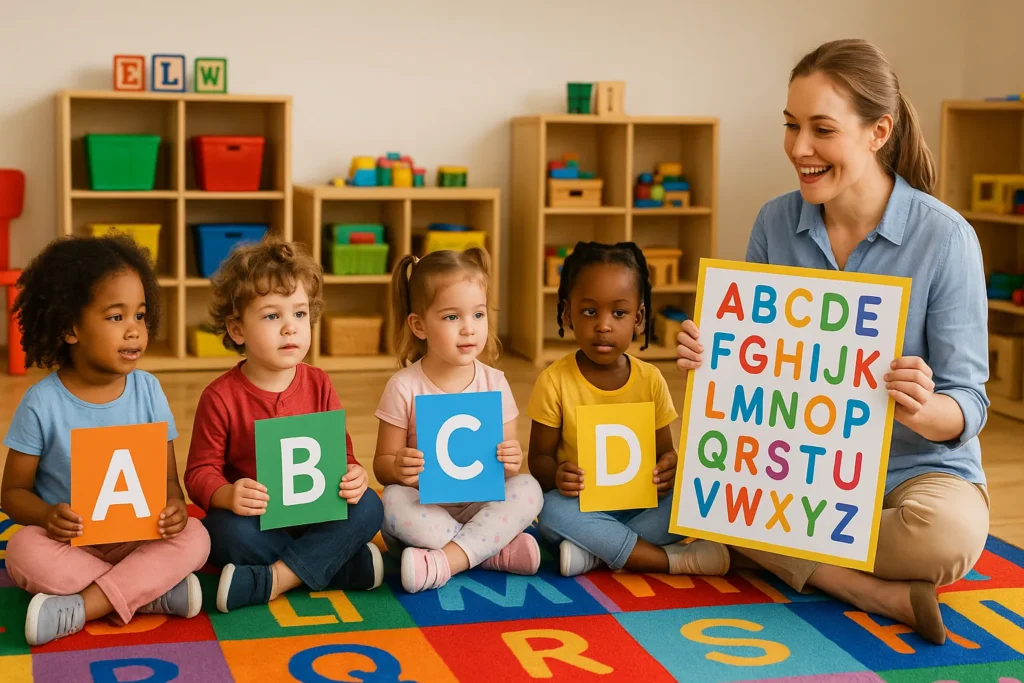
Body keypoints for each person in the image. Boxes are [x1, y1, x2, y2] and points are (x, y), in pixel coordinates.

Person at [676, 38, 989, 645]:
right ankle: (860, 586)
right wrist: (714, 363)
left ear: (879, 132)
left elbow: (969, 406)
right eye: (791, 126)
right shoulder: (774, 222)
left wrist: (925, 410)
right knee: (709, 494)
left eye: (821, 129)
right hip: (802, 464)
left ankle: (778, 553)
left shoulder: (946, 238)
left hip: (914, 468)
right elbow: (757, 386)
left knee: (947, 536)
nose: (799, 149)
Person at [1, 234, 210, 646]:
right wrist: (46, 517)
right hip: (72, 546)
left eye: (140, 316)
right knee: (23, 549)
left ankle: (82, 607)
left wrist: (173, 508)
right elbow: (12, 493)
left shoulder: (148, 390)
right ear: (70, 328)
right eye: (116, 317)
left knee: (197, 536)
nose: (134, 331)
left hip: (138, 539)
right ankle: (152, 593)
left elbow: (169, 481)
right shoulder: (42, 402)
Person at [184, 236, 383, 613]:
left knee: (370, 505)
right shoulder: (220, 396)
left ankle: (273, 578)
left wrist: (353, 474)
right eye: (272, 316)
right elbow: (198, 473)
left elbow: (342, 456)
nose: (290, 328)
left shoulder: (319, 382)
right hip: (259, 523)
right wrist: (227, 494)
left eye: (300, 313)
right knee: (219, 531)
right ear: (237, 329)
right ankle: (335, 567)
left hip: (316, 514)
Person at [528, 241, 731, 578]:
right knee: (548, 511)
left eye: (618, 313)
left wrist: (668, 466)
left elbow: (666, 453)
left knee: (694, 494)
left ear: (638, 319)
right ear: (567, 314)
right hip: (580, 508)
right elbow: (539, 459)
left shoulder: (650, 379)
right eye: (590, 311)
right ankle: (672, 561)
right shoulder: (554, 381)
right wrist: (557, 475)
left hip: (640, 507)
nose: (604, 325)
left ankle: (593, 553)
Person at [374, 248, 543, 594]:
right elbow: (381, 466)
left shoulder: (494, 382)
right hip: (427, 506)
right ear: (419, 325)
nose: (469, 329)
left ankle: (445, 561)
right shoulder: (404, 386)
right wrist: (398, 466)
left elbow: (511, 465)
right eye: (452, 318)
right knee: (390, 501)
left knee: (530, 489)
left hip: (483, 501)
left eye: (478, 315)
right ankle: (492, 552)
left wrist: (512, 461)